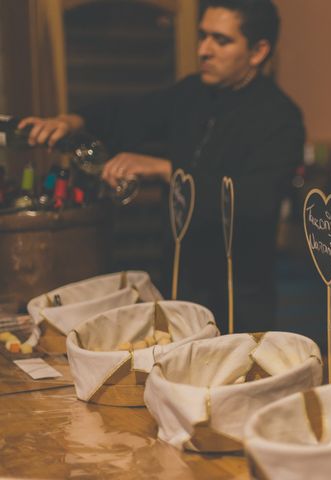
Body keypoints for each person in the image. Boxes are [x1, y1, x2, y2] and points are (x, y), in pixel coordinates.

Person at [19, 0, 306, 333]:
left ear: (258, 51)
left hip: (238, 297)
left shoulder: (280, 118)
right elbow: (128, 113)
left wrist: (167, 170)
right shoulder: (192, 93)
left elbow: (257, 201)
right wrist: (72, 121)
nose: (204, 50)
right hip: (179, 282)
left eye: (221, 40)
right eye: (202, 36)